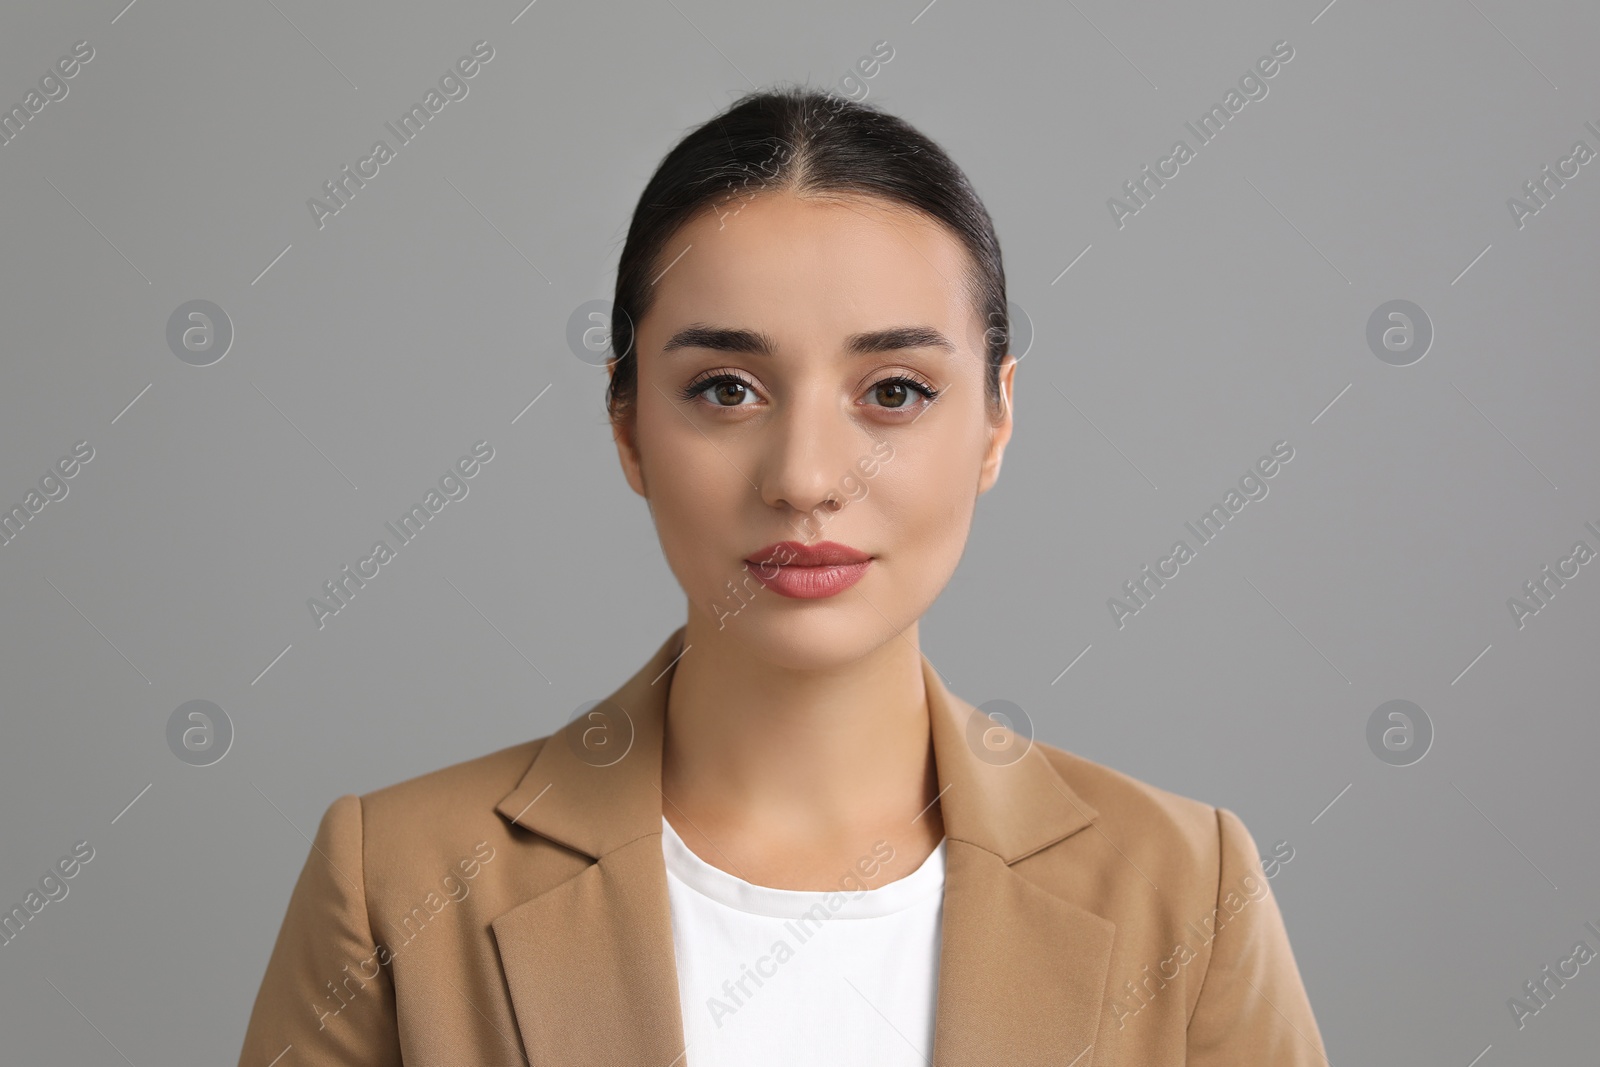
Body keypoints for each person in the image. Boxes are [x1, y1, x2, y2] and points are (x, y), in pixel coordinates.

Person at [237, 85, 1328, 1067]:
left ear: (996, 419)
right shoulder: (397, 880)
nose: (806, 477)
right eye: (724, 389)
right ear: (624, 424)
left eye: (893, 391)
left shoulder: (1187, 888)